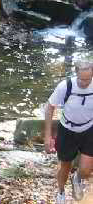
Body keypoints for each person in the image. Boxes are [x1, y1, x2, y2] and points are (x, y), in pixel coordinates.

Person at [45, 58, 93, 203]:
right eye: (82, 79)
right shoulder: (65, 86)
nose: (85, 83)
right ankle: (60, 193)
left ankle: (77, 179)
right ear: (76, 74)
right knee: (65, 167)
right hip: (67, 130)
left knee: (85, 170)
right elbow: (49, 107)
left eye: (88, 79)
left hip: (89, 129)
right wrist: (48, 137)